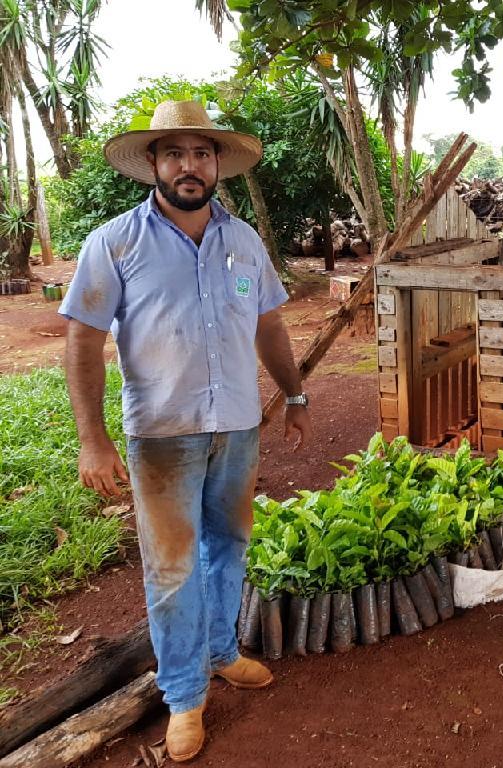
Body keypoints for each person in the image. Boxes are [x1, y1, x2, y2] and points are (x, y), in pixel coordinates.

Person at [60, 100, 313, 762]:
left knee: (229, 545)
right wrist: (93, 438)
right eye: (174, 153)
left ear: (216, 165)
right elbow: (83, 340)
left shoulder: (243, 241)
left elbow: (269, 327)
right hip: (162, 436)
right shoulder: (114, 242)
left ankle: (223, 650)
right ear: (153, 164)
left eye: (201, 153)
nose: (189, 166)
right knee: (172, 570)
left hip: (235, 427)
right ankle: (182, 697)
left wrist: (295, 392)